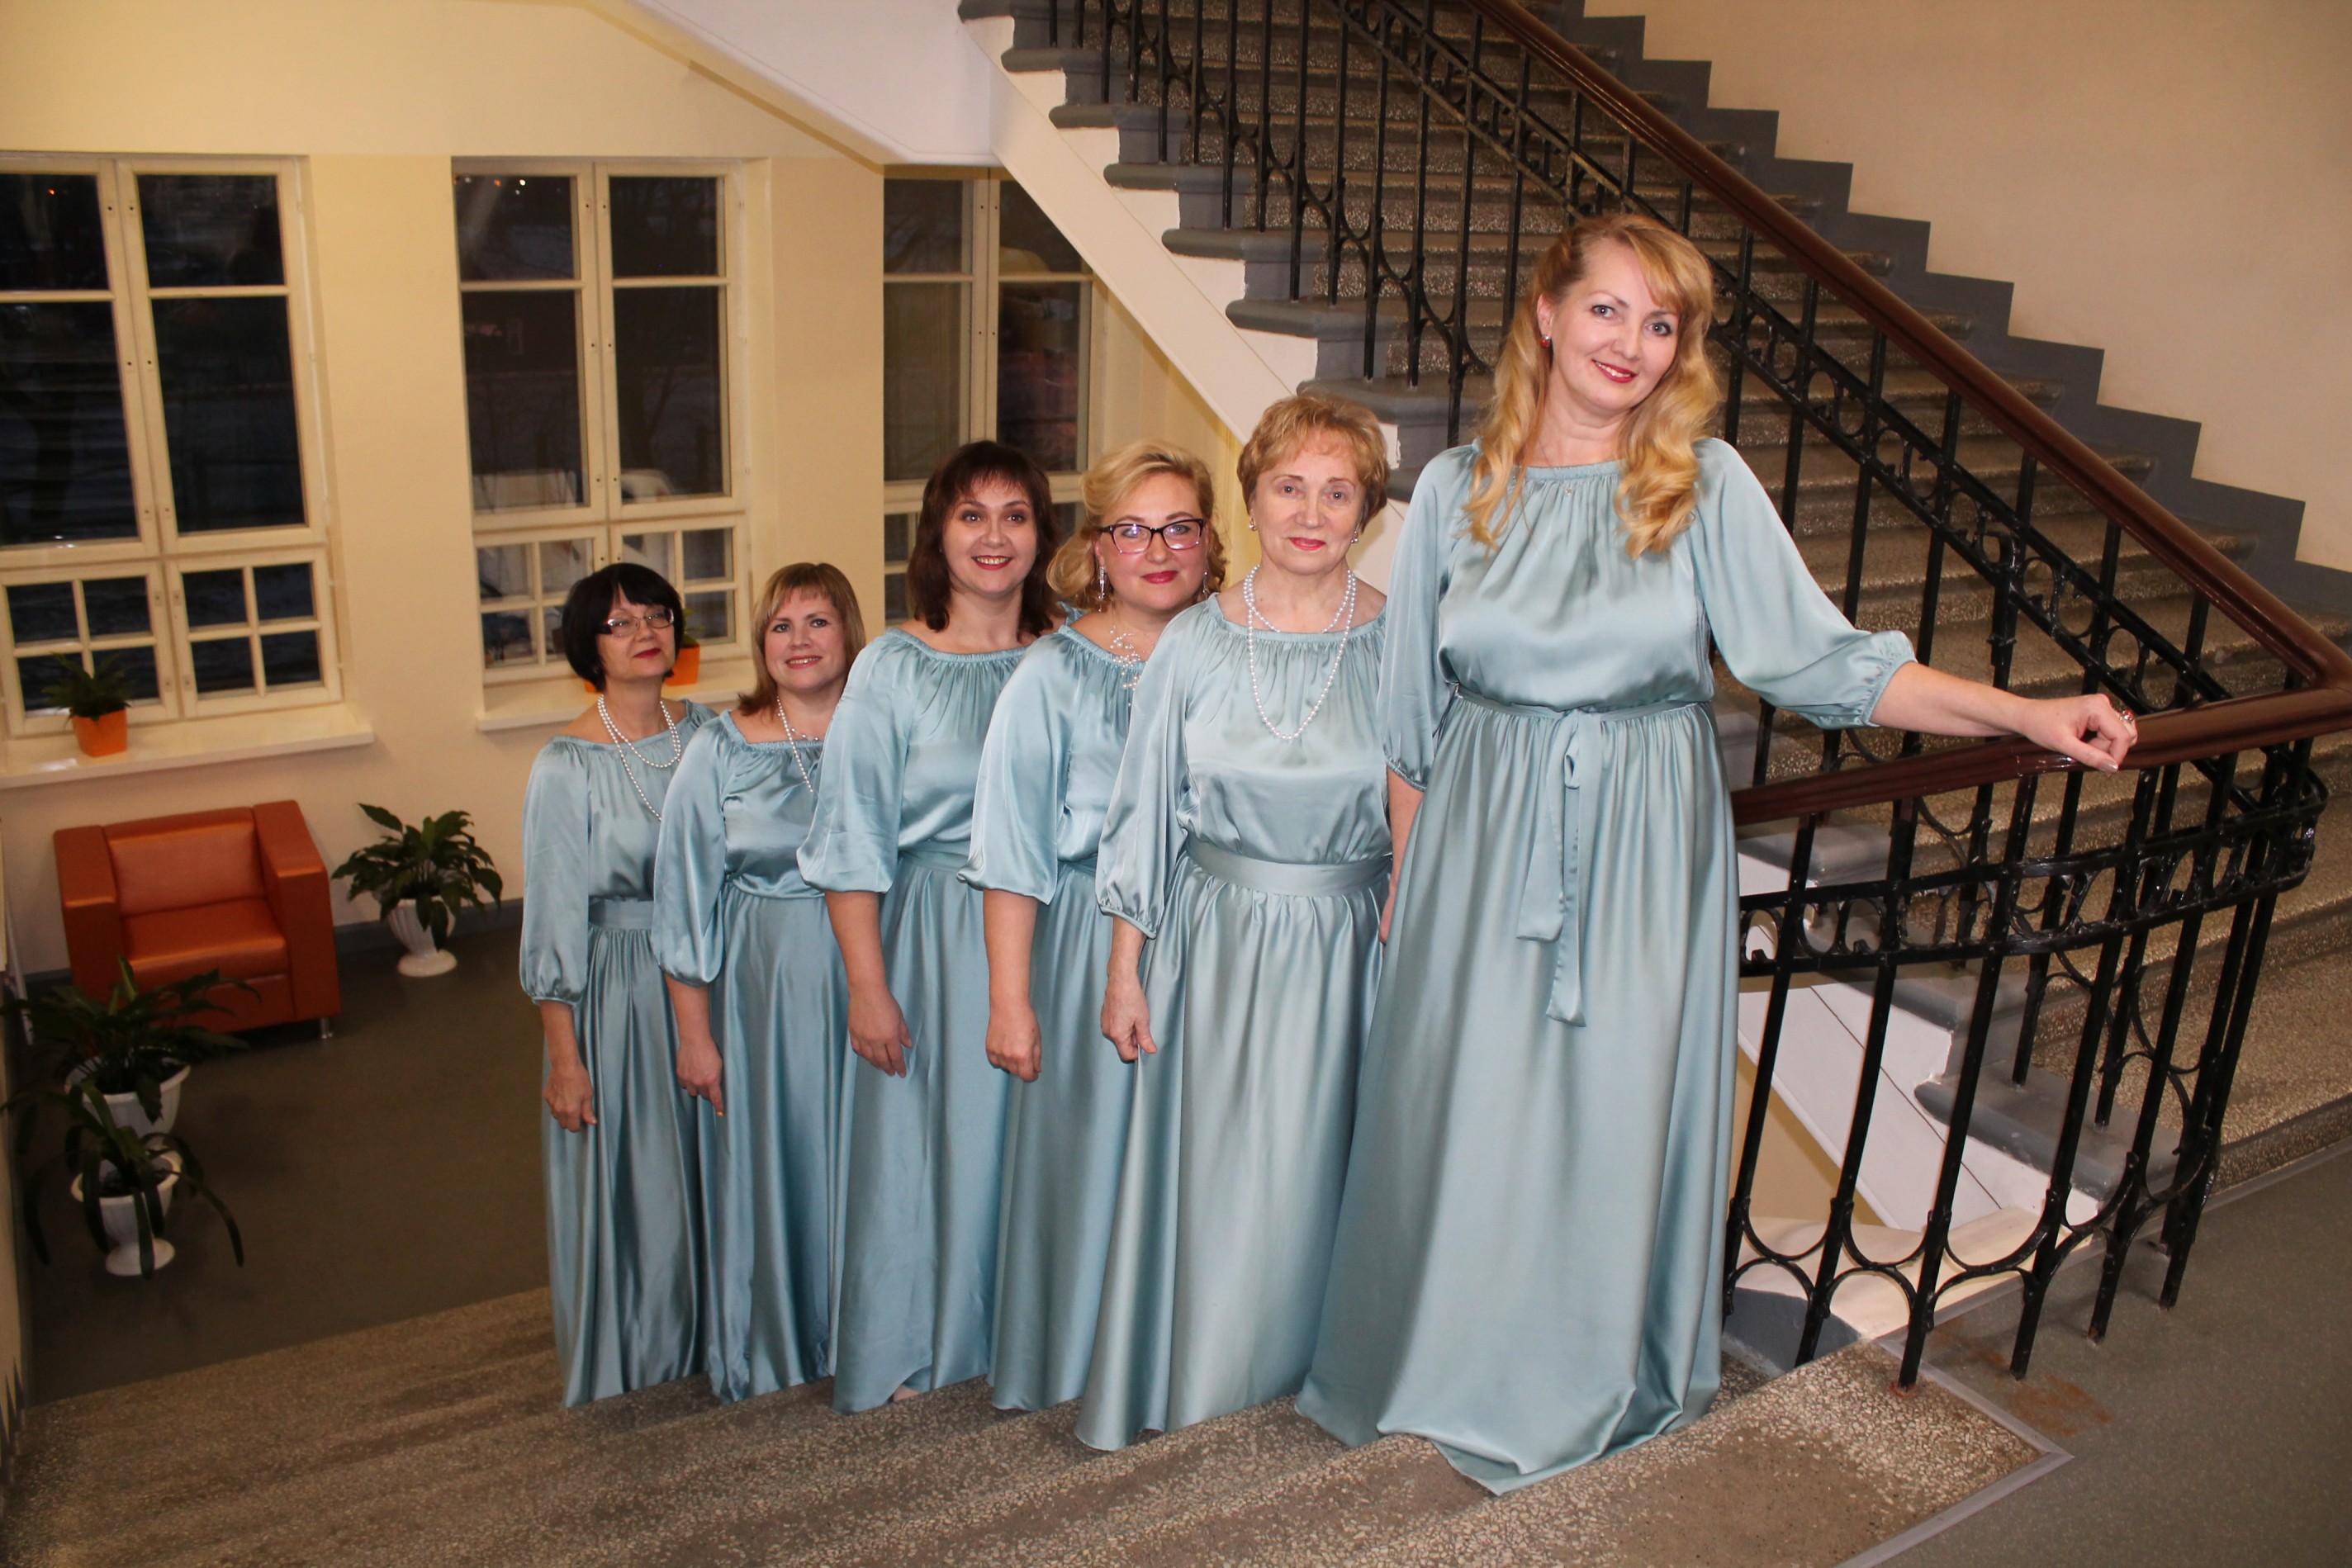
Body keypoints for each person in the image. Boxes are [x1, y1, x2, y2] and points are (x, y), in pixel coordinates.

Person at [1299, 211, 2136, 1490]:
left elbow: (1825, 662)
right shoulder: (1458, 489)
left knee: (1610, 1106)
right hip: (1476, 843)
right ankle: (1435, 1362)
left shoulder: (1704, 482)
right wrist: (1412, 889)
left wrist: (2021, 712)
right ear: (1546, 315)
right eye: (1607, 309)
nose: (1630, 342)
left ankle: (1582, 1376)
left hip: (1642, 846)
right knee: (1467, 1104)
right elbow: (1411, 723)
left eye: (1661, 322)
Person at [1077, 394, 1393, 1451]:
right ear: (1251, 502)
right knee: (1218, 1181)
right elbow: (1141, 812)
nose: (1310, 512)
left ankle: (1320, 1387)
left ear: (1365, 513)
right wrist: (1125, 970)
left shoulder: (1403, 638)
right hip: (1210, 947)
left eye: (1337, 492)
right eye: (1288, 487)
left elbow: (1432, 802)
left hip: (1354, 947)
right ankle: (1206, 1386)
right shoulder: (1195, 642)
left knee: (1329, 1175)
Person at [799, 440, 1065, 1413]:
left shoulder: (1072, 652)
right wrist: (868, 986)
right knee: (927, 1146)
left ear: (1042, 534)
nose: (994, 538)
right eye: (971, 516)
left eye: (1015, 516)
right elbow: (850, 838)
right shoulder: (892, 667)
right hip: (934, 939)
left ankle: (1032, 1333)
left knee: (1038, 1141)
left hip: (1058, 930)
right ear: (936, 536)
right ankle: (922, 1340)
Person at [969, 440, 1225, 1415]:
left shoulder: (1235, 652)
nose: (1158, 550)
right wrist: (1010, 1003)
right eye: (1133, 530)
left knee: (1196, 1161)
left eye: (1179, 528)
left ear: (1209, 541)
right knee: (1092, 1162)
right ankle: (1081, 1365)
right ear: (1099, 548)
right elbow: (1010, 852)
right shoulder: (1049, 675)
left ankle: (1185, 1362)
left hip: (1218, 937)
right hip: (1087, 941)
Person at [654, 563, 864, 1402]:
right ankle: (778, 1340)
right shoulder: (719, 747)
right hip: (763, 993)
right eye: (781, 625)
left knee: (871, 1156)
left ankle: (873, 1329)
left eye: (818, 621)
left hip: (879, 976)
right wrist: (694, 1035)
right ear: (759, 644)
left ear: (850, 632)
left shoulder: (886, 730)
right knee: (780, 1160)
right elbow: (682, 900)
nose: (799, 641)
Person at [520, 562, 716, 1405]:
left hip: (711, 975)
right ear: (587, 646)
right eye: (620, 621)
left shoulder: (708, 731)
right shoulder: (566, 765)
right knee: (645, 1181)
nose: (645, 631)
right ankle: (643, 1353)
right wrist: (565, 1060)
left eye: (657, 614)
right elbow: (551, 921)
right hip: (623, 992)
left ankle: (720, 1334)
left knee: (712, 1167)